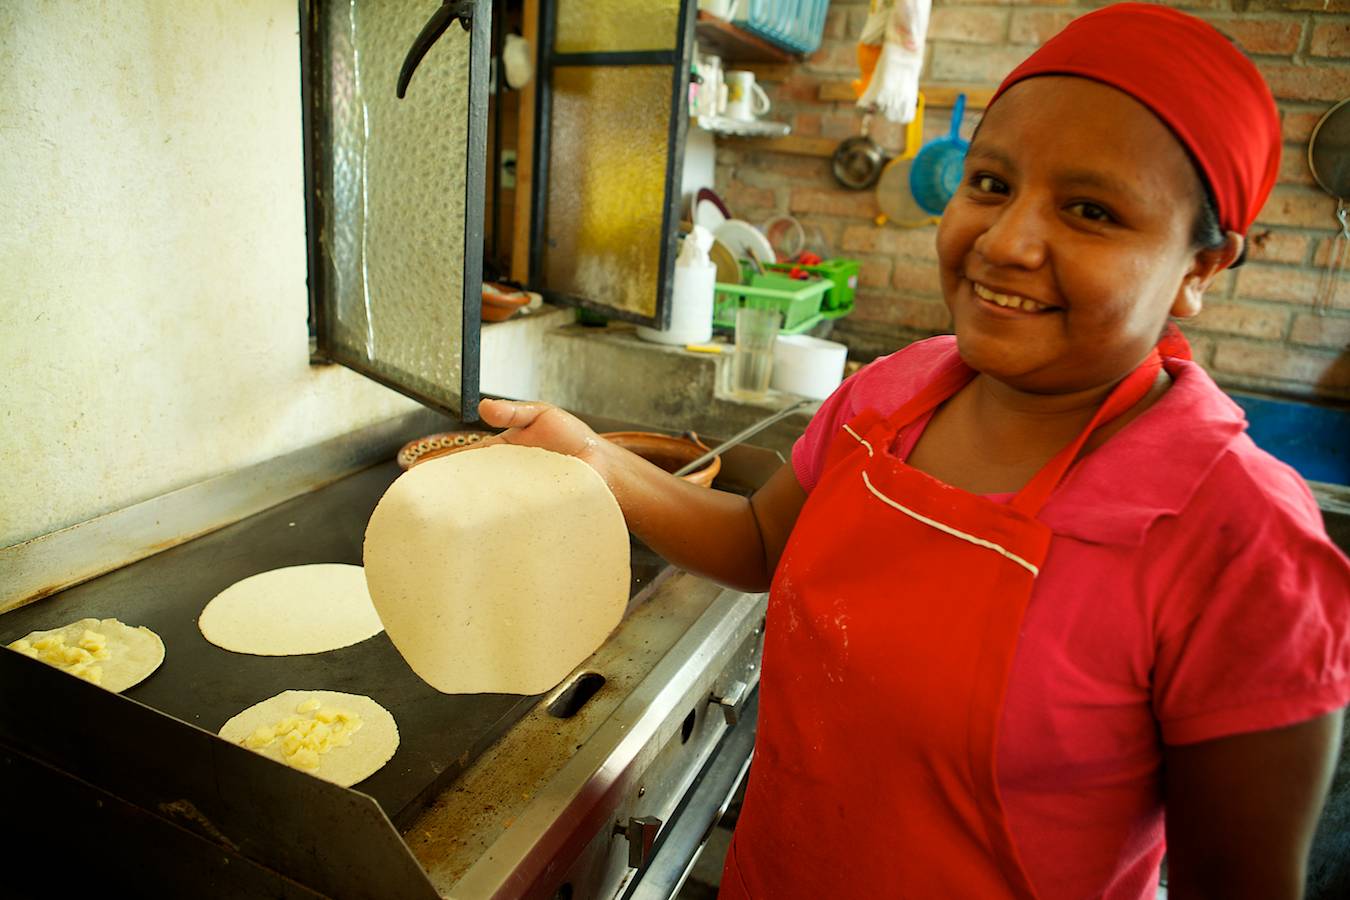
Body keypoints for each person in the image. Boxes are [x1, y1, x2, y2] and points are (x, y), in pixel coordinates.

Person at [478, 5, 1350, 898]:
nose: (1007, 242)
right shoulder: (892, 395)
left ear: (1203, 267)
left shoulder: (1240, 544)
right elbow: (761, 546)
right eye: (990, 184)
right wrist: (590, 457)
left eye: (1091, 211)